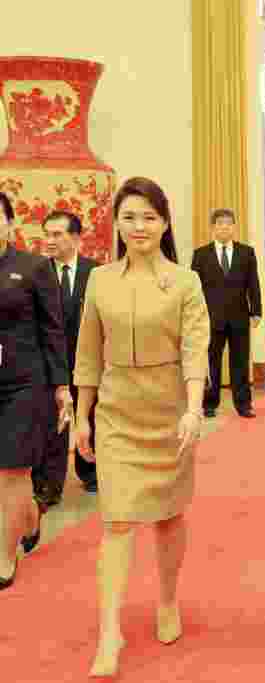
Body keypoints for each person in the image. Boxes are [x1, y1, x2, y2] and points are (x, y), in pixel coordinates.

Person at [73, 177, 211, 676]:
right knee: (116, 521)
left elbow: (196, 349)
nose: (139, 226)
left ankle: (168, 600)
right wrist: (81, 419)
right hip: (115, 412)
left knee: (169, 516)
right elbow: (88, 351)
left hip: (169, 411)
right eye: (129, 216)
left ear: (165, 223)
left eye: (149, 217)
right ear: (118, 223)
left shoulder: (185, 282)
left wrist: (194, 409)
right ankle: (110, 630)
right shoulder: (100, 280)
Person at [0, 191, 71, 590]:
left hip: (25, 383)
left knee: (11, 469)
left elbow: (53, 329)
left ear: (10, 223)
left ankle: (4, 556)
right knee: (10, 481)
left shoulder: (33, 268)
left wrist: (61, 385)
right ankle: (29, 518)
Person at [32, 211, 100, 506]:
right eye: (47, 234)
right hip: (49, 363)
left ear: (75, 238)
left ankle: (91, 473)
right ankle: (50, 484)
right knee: (53, 423)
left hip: (87, 361)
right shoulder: (36, 271)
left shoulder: (95, 273)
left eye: (57, 234)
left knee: (91, 417)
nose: (50, 241)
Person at [190, 208, 262, 418]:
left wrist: (256, 311)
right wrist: (195, 315)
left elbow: (253, 284)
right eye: (220, 223)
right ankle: (209, 403)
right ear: (213, 228)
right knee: (211, 361)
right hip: (210, 318)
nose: (224, 227)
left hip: (239, 316)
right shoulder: (201, 255)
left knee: (240, 361)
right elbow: (194, 289)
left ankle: (243, 404)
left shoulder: (246, 252)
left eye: (228, 223)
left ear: (234, 227)